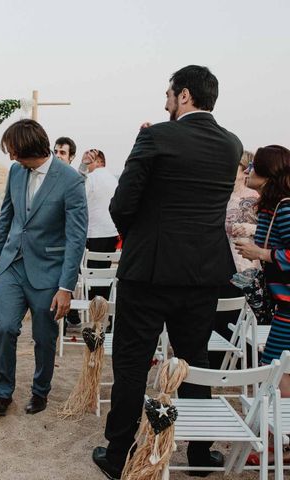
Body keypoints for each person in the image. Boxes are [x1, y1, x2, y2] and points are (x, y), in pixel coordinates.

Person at [92, 65, 242, 479]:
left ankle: (118, 452)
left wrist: (140, 235)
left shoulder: (155, 136)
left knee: (132, 360)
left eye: (169, 93)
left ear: (186, 95)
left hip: (150, 272)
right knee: (194, 359)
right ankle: (199, 453)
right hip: (204, 272)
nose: (165, 101)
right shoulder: (232, 144)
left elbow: (121, 204)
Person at [0, 119, 87, 416]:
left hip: (48, 272)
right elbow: (7, 217)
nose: (11, 157)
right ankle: (3, 393)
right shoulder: (16, 172)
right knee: (3, 328)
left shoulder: (70, 180)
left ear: (29, 148)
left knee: (44, 338)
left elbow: (76, 238)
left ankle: (40, 391)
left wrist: (66, 287)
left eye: (14, 151)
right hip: (12, 264)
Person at [236, 145, 290, 399]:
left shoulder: (285, 208)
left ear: (268, 174)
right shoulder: (272, 206)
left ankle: (279, 433)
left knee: (274, 371)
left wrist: (261, 254)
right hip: (283, 306)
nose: (248, 170)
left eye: (254, 166)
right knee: (276, 369)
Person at [210, 150, 258, 368]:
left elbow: (268, 230)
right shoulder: (217, 196)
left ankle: (244, 360)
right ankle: (217, 359)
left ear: (244, 171)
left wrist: (249, 228)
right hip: (217, 260)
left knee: (242, 309)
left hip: (245, 263)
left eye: (234, 167)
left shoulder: (255, 197)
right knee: (220, 308)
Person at [80, 148, 119, 297]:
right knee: (105, 272)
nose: (88, 163)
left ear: (99, 161)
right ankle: (105, 309)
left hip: (93, 233)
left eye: (91, 159)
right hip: (111, 232)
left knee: (91, 275)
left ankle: (92, 305)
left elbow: (80, 199)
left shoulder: (91, 178)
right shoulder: (113, 179)